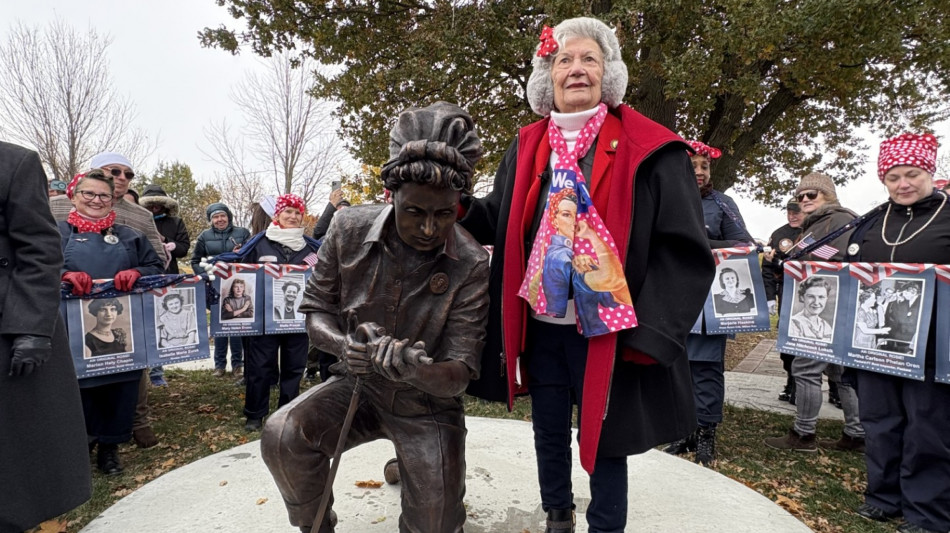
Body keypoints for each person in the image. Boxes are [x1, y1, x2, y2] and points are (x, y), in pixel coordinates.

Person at [458, 18, 714, 532]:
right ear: (548, 78)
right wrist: (450, 203)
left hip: (609, 330)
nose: (576, 69)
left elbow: (683, 250)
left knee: (606, 433)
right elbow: (499, 215)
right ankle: (557, 514)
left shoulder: (652, 148)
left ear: (608, 73)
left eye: (588, 59)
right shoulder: (527, 145)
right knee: (548, 426)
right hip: (542, 324)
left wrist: (652, 332)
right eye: (563, 60)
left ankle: (605, 525)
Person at [261, 101, 489, 533]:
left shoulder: (473, 263)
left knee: (436, 523)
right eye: (414, 212)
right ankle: (316, 525)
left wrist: (416, 370)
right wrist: (344, 345)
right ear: (392, 196)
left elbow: (459, 373)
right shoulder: (346, 228)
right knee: (282, 433)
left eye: (444, 214)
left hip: (426, 404)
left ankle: (414, 461)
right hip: (356, 386)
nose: (429, 229)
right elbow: (316, 312)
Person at [845, 132, 950, 533]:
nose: (903, 184)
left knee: (928, 427)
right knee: (880, 421)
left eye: (912, 174)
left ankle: (927, 512)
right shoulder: (872, 221)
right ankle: (883, 497)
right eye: (893, 177)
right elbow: (843, 268)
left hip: (932, 346)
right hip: (876, 342)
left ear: (929, 173)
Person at [0, 142, 91, 533]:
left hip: (7, 321)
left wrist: (31, 326)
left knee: (15, 458)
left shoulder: (13, 162)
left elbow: (40, 249)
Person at [49, 151, 166, 449]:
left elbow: (155, 265)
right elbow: (34, 266)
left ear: (112, 201)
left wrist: (137, 272)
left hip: (122, 323)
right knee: (78, 384)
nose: (96, 200)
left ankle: (111, 448)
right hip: (69, 325)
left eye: (104, 196)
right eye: (89, 194)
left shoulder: (130, 235)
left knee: (120, 383)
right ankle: (82, 442)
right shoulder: (55, 233)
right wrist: (63, 274)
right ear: (74, 196)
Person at [663, 140, 753, 466]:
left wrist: (703, 243)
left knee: (705, 369)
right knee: (678, 368)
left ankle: (705, 433)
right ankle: (684, 429)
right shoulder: (667, 198)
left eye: (705, 166)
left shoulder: (722, 204)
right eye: (693, 166)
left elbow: (743, 244)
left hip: (710, 303)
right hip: (673, 297)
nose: (700, 172)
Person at [765, 172, 865, 453]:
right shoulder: (819, 223)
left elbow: (838, 256)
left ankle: (803, 434)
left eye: (812, 194)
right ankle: (856, 434)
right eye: (801, 196)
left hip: (827, 306)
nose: (805, 200)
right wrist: (785, 260)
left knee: (806, 369)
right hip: (828, 304)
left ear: (828, 195)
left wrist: (799, 258)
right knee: (839, 371)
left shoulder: (840, 220)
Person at [239, 193, 320, 432]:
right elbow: (240, 272)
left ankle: (287, 412)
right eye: (288, 212)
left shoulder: (310, 248)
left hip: (297, 319)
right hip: (265, 319)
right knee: (260, 365)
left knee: (294, 367)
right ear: (277, 214)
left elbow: (322, 276)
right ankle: (255, 413)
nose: (293, 216)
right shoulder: (259, 243)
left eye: (297, 213)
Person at [139, 184, 191, 386]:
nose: (155, 207)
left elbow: (184, 248)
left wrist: (167, 241)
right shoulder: (139, 219)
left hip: (166, 277)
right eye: (150, 204)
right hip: (142, 275)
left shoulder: (175, 222)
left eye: (158, 204)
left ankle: (157, 371)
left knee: (159, 322)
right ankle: (139, 369)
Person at [192, 202, 251, 378]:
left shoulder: (242, 233)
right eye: (215, 217)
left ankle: (238, 365)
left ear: (228, 217)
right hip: (215, 286)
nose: (220, 219)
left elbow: (252, 256)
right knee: (219, 325)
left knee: (236, 325)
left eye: (222, 216)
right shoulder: (204, 236)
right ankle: (219, 365)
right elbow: (196, 260)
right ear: (211, 220)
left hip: (237, 285)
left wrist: (242, 254)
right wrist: (206, 275)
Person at [763, 199, 805, 404]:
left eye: (796, 212)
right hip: (787, 293)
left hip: (814, 292)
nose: (792, 216)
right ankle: (791, 382)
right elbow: (767, 268)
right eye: (789, 212)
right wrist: (769, 296)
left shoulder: (817, 231)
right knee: (787, 342)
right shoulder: (779, 234)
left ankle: (834, 388)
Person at [787, 276, 835, 341]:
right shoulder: (793, 324)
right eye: (811, 296)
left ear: (826, 299)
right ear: (802, 297)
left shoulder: (825, 325)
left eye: (821, 297)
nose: (816, 302)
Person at [880, 281, 921, 354]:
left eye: (906, 293)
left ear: (914, 292)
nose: (903, 295)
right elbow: (898, 319)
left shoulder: (921, 302)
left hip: (911, 340)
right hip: (899, 339)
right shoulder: (905, 302)